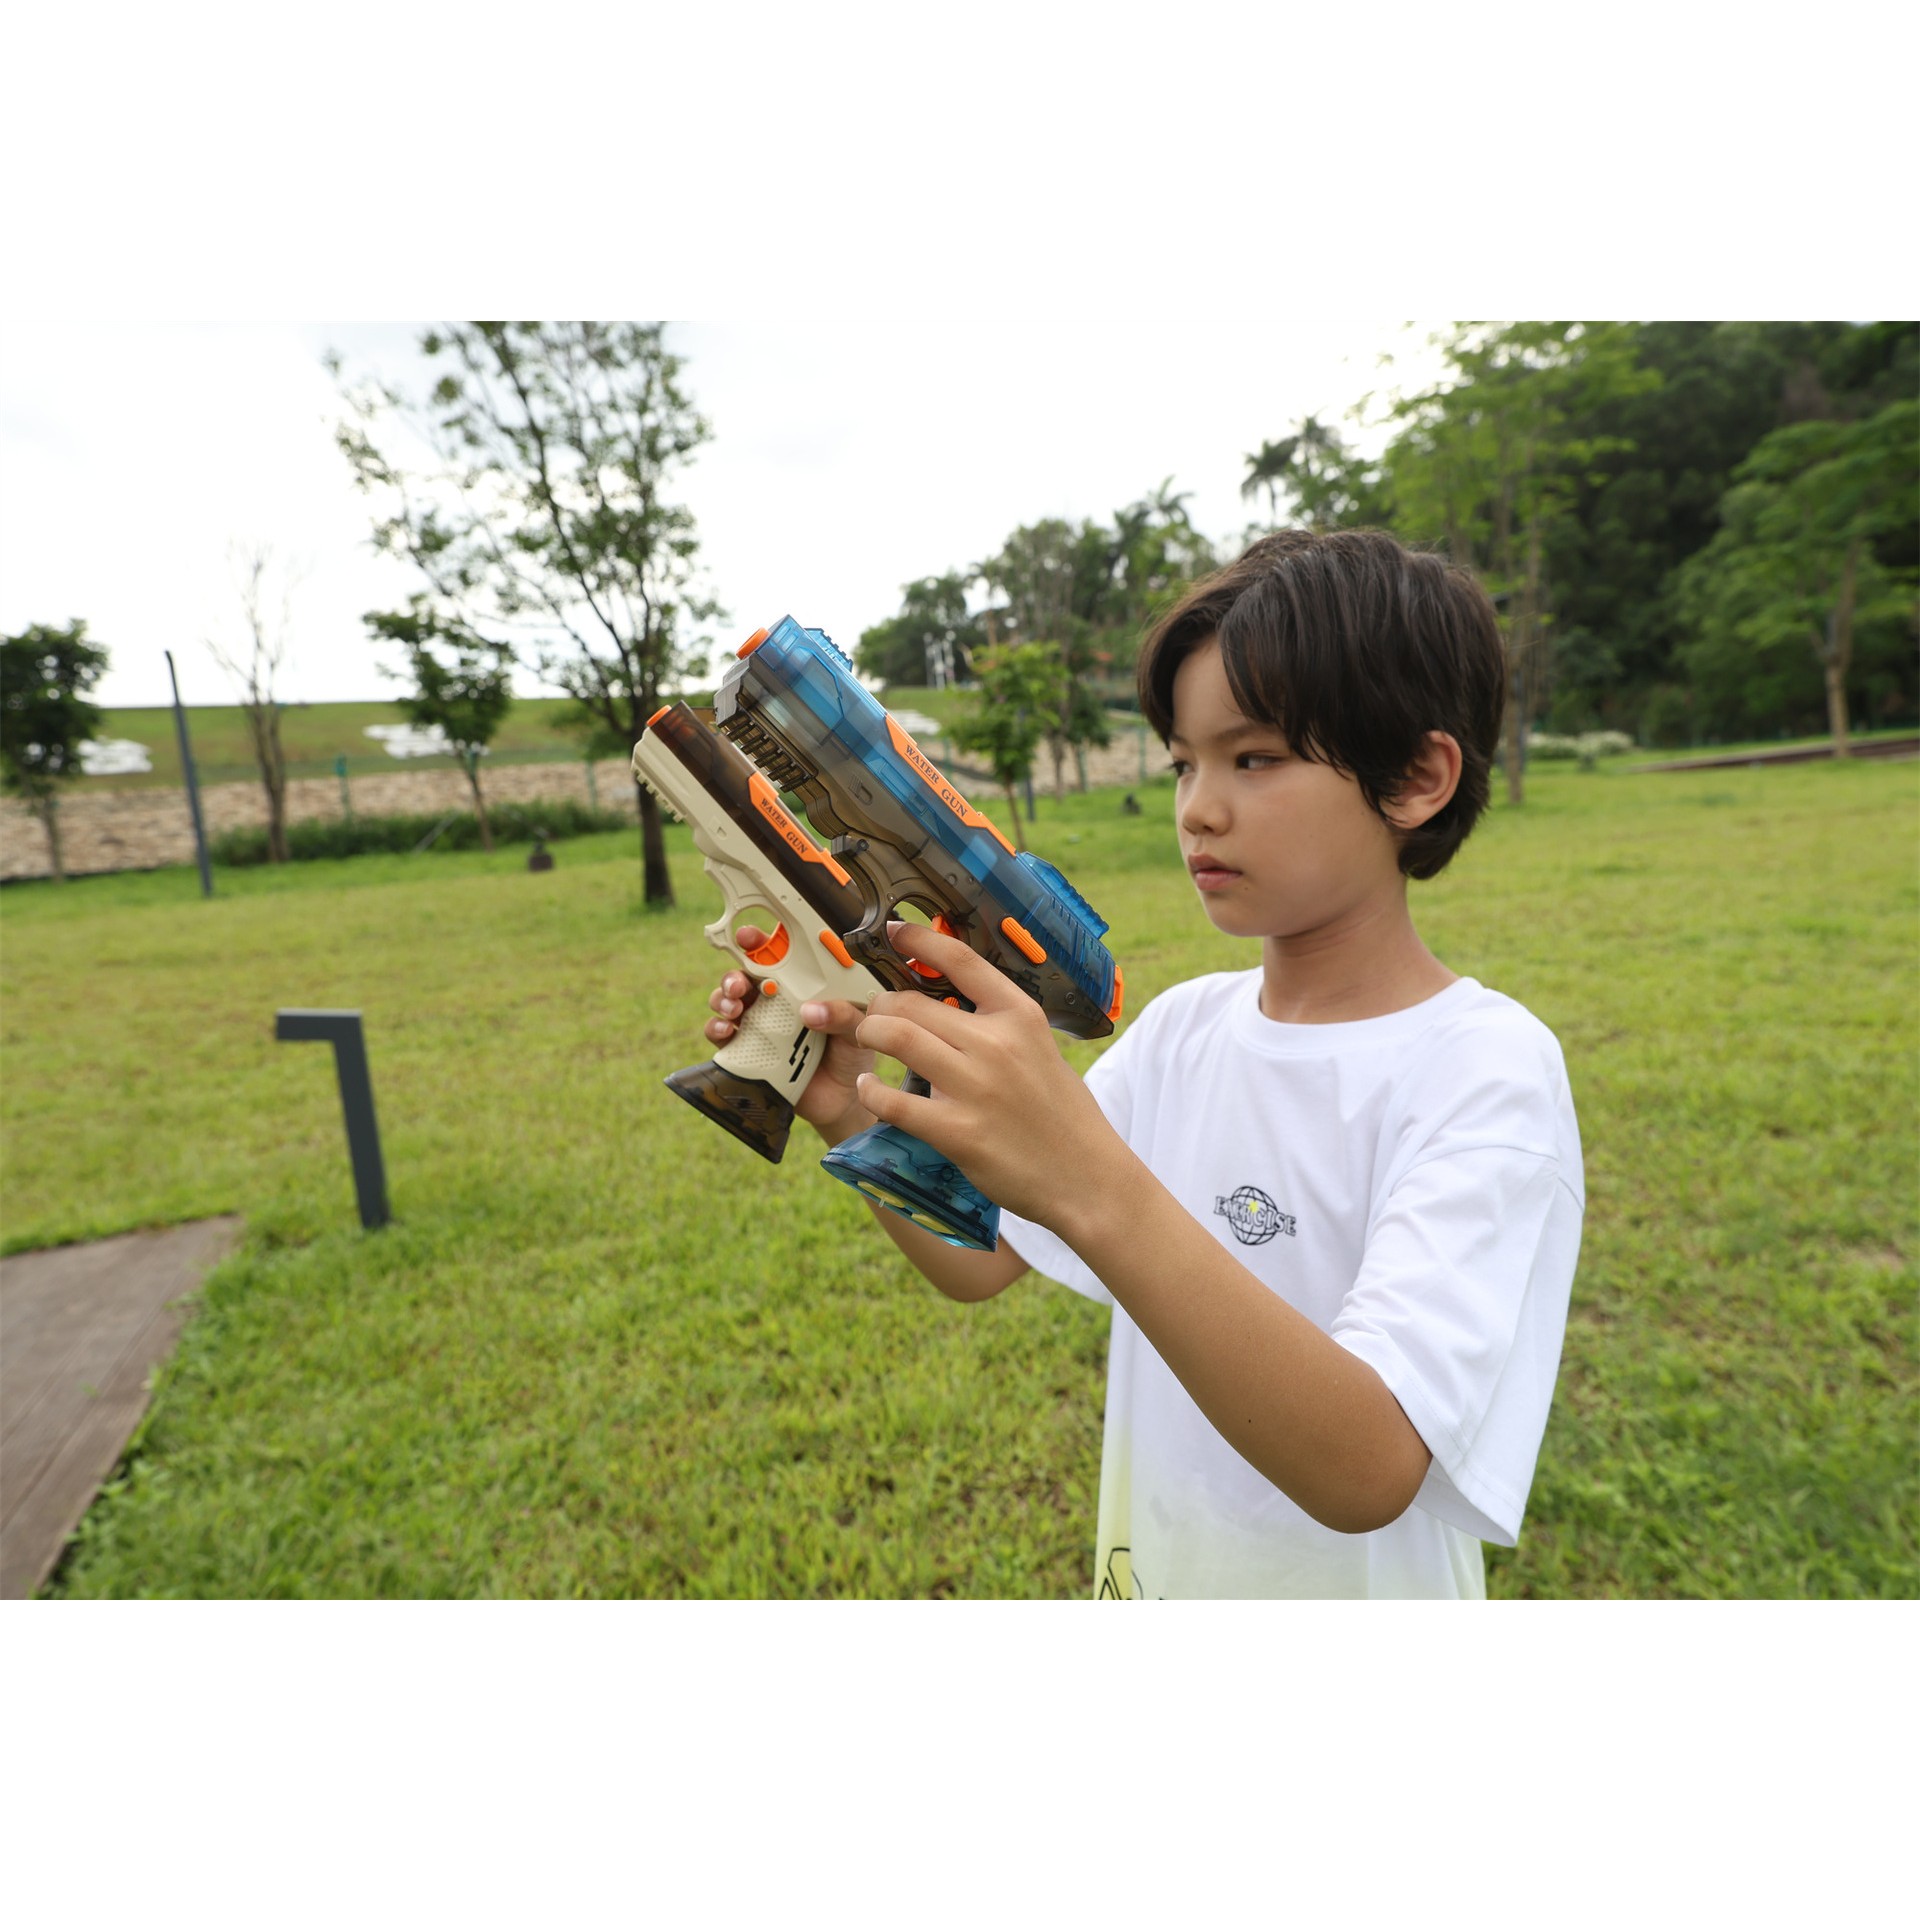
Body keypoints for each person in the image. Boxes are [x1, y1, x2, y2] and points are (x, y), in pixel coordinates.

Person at [704, 530, 1582, 1598]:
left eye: (1255, 758)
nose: (1197, 807)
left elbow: (1369, 1466)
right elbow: (979, 1261)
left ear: (1414, 779)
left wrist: (1090, 1179)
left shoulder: (1484, 1069)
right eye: (1183, 762)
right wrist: (854, 1110)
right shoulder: (1183, 1031)